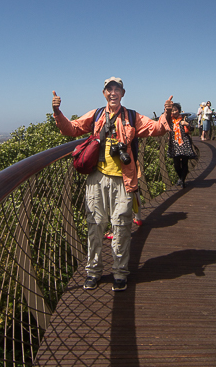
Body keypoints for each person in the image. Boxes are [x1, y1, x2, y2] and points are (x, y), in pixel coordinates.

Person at [52, 77, 173, 292]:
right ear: (104, 93)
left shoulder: (133, 117)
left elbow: (156, 129)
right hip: (96, 178)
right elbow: (72, 129)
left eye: (117, 89)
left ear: (123, 93)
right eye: (110, 89)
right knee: (95, 225)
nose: (113, 93)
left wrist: (166, 114)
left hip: (124, 180)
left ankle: (119, 272)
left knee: (122, 226)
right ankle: (93, 271)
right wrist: (58, 112)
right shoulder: (96, 114)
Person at [168, 103, 196, 188]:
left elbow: (192, 128)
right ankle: (181, 178)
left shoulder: (184, 119)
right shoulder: (170, 120)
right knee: (176, 164)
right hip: (174, 144)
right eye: (172, 110)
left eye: (175, 110)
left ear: (179, 111)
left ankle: (182, 181)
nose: (174, 112)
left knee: (184, 163)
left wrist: (187, 124)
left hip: (184, 143)